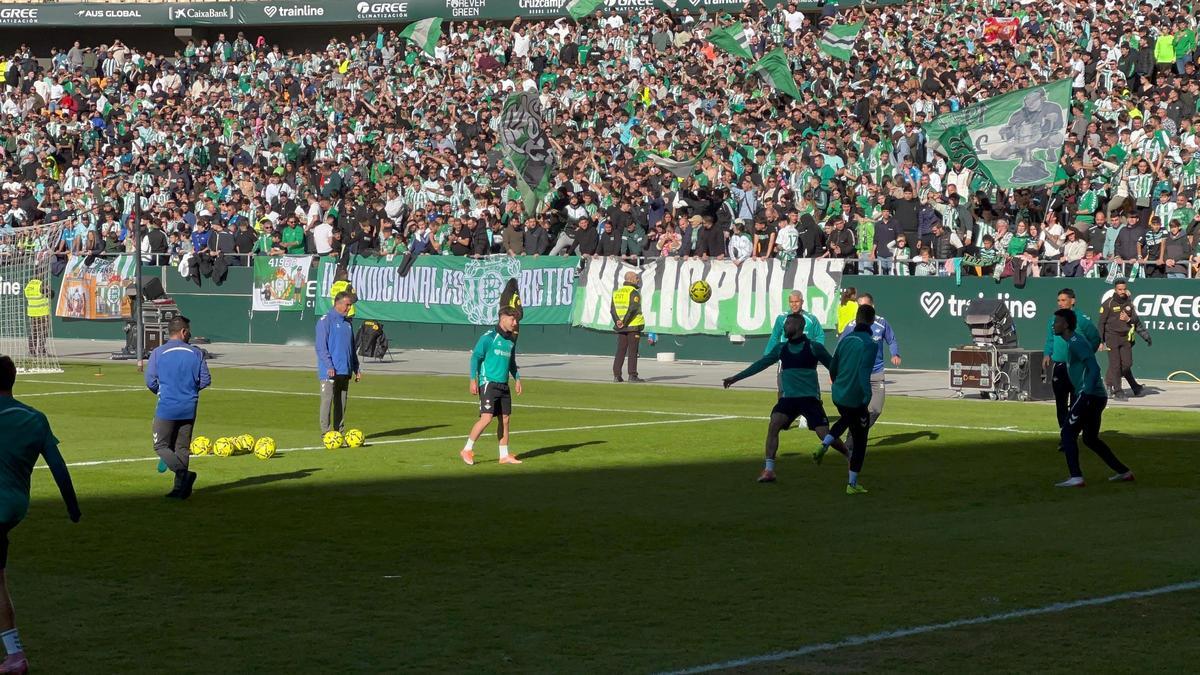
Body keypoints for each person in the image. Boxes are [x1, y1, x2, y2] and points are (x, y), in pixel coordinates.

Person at [0, 356, 80, 675]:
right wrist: (72, 508)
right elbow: (58, 466)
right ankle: (14, 655)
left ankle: (15, 656)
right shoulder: (34, 418)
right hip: (14, 507)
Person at [723, 314, 849, 483]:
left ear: (799, 326)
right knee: (774, 424)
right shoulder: (781, 348)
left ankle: (849, 455)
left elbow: (834, 368)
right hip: (788, 399)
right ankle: (769, 470)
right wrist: (736, 378)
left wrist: (848, 385)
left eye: (788, 323)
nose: (785, 326)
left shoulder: (814, 347)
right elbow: (760, 364)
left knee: (824, 434)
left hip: (809, 399)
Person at [1051, 309, 1134, 487]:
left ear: (1066, 325)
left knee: (1067, 433)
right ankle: (1124, 471)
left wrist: (1085, 392)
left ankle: (1076, 477)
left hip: (1090, 396)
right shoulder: (1072, 342)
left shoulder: (1076, 342)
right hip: (1096, 396)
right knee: (1090, 439)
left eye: (1057, 321)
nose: (1053, 325)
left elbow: (1094, 368)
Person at [144, 316, 211, 499]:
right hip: (189, 406)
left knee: (160, 445)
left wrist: (162, 391)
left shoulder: (158, 352)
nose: (190, 334)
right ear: (183, 331)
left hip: (167, 406)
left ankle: (183, 475)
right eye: (189, 331)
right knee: (182, 447)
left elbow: (150, 381)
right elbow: (205, 379)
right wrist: (189, 390)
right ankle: (180, 489)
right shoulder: (196, 353)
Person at [819, 304, 877, 495]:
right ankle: (852, 484)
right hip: (855, 396)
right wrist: (866, 398)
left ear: (857, 319)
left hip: (838, 394)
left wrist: (837, 383)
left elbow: (833, 366)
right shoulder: (870, 344)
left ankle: (825, 443)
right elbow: (863, 374)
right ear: (871, 321)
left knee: (847, 419)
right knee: (860, 440)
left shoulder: (845, 340)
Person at [837, 293, 901, 453]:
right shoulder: (852, 326)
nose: (861, 309)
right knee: (856, 409)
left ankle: (854, 433)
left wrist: (895, 353)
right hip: (858, 375)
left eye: (864, 306)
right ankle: (851, 442)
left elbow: (892, 339)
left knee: (876, 409)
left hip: (877, 373)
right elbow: (840, 346)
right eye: (859, 306)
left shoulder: (881, 323)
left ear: (872, 307)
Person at [461, 306, 523, 466]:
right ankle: (467, 449)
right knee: (486, 418)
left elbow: (512, 362)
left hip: (504, 385)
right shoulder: (488, 337)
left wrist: (517, 378)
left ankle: (504, 455)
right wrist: (473, 379)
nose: (515, 323)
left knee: (505, 419)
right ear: (503, 318)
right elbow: (475, 357)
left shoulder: (511, 340)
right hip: (488, 383)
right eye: (513, 319)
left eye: (516, 320)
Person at [1043, 288, 1101, 428]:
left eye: (1063, 300)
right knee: (1060, 402)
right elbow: (1050, 339)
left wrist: (1086, 355)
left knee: (1077, 401)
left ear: (1072, 301)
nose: (1060, 303)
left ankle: (1073, 430)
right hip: (1060, 366)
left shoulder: (1082, 319)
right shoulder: (1053, 319)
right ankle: (1064, 431)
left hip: (1077, 367)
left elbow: (1095, 338)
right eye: (1058, 300)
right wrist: (1047, 354)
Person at [316, 291, 360, 437]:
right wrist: (329, 365)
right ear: (338, 303)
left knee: (341, 403)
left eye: (350, 305)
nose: (349, 308)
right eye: (347, 305)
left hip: (344, 370)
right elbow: (321, 347)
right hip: (329, 371)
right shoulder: (325, 321)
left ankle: (339, 432)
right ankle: (326, 433)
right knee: (327, 401)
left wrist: (356, 368)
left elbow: (352, 348)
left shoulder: (348, 323)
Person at [1098, 279, 1150, 399]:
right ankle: (1118, 391)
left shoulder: (1128, 302)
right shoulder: (1108, 304)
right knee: (1115, 365)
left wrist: (1128, 319)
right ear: (1115, 290)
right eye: (1119, 289)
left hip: (1125, 337)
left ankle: (1108, 383)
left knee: (1127, 364)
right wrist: (1100, 341)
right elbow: (1101, 323)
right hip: (1112, 337)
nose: (1122, 291)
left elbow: (1135, 320)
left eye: (1124, 289)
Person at [610, 271, 645, 383]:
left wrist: (618, 322)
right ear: (631, 279)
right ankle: (632, 375)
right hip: (633, 326)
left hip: (621, 327)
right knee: (633, 351)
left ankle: (617, 375)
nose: (638, 280)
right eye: (636, 277)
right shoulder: (634, 292)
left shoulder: (617, 292)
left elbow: (613, 310)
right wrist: (624, 322)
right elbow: (633, 309)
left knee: (620, 350)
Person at [21, 276, 50, 359]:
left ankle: (32, 351)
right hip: (42, 312)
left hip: (32, 313)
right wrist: (48, 289)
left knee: (33, 333)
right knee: (43, 332)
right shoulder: (41, 285)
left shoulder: (29, 285)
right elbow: (51, 294)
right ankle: (42, 350)